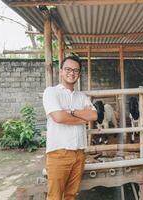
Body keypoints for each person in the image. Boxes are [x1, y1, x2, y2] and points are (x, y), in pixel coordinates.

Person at [42, 55, 97, 200]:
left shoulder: (82, 96)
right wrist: (82, 118)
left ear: (79, 74)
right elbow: (59, 118)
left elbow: (93, 116)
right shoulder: (51, 92)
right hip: (59, 152)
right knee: (55, 196)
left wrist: (71, 112)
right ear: (60, 71)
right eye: (68, 69)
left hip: (79, 153)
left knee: (71, 195)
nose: (71, 73)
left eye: (76, 70)